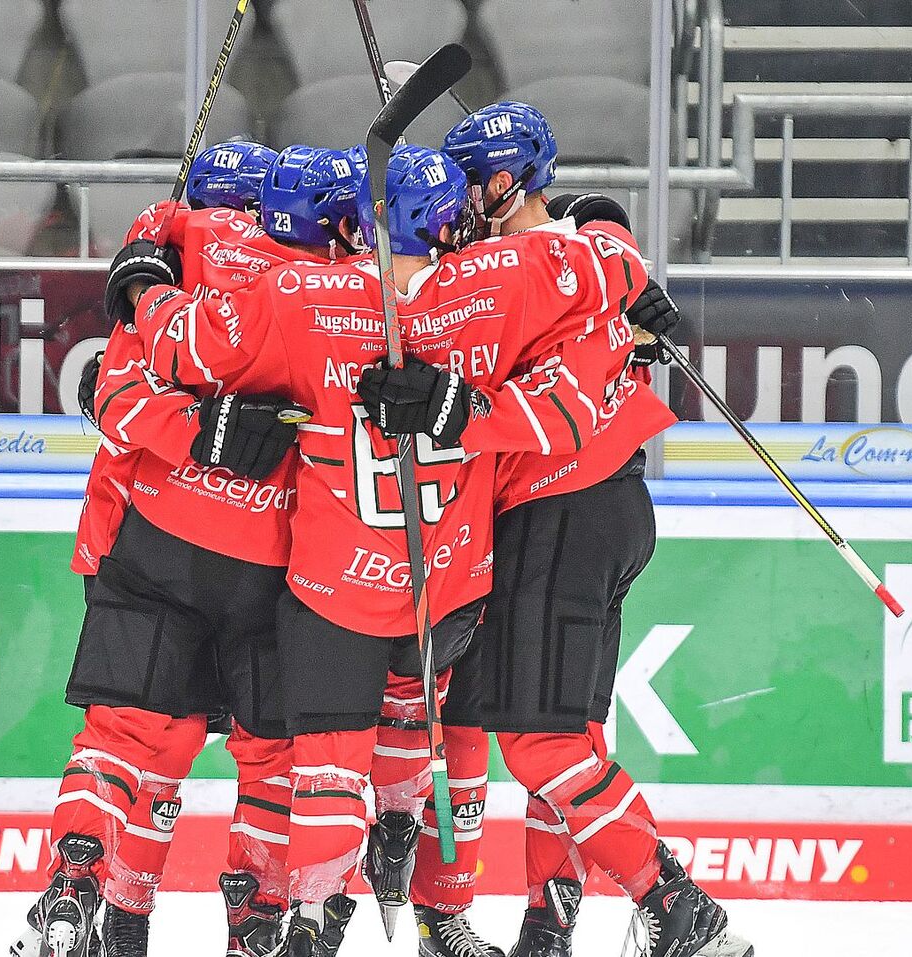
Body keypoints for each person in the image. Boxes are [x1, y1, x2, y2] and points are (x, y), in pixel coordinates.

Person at [120, 144, 648, 956]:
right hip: (449, 576)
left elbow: (189, 348)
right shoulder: (486, 288)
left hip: (335, 582)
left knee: (327, 767)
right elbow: (582, 295)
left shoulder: (298, 294)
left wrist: (143, 284)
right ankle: (419, 865)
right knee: (450, 731)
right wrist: (624, 271)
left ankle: (315, 921)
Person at [18, 144, 365, 957]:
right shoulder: (354, 294)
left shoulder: (178, 266)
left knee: (131, 737)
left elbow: (117, 389)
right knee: (268, 755)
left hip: (155, 535)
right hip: (282, 560)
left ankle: (78, 889)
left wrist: (146, 265)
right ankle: (254, 919)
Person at [442, 101, 754, 957]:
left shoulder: (521, 264)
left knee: (540, 741)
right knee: (568, 735)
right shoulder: (587, 250)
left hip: (560, 505)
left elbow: (528, 398)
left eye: (477, 182)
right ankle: (552, 916)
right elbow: (600, 240)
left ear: (512, 183)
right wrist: (616, 243)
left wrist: (445, 411)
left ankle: (677, 904)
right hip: (609, 504)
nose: (460, 198)